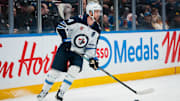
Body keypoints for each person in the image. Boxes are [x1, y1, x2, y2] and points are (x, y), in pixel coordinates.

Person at [37, 2, 102, 101]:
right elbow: (60, 26)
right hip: (66, 48)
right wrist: (66, 40)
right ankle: (44, 91)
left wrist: (92, 58)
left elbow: (91, 46)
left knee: (74, 70)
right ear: (90, 12)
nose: (99, 14)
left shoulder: (97, 29)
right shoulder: (77, 20)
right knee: (55, 72)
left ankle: (61, 93)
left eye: (99, 12)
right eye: (96, 11)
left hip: (79, 52)